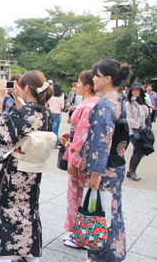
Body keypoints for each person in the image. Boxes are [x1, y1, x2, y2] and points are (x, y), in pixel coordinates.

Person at [0, 71, 53, 262]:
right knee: (29, 208)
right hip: (34, 169)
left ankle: (5, 256)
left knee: (6, 206)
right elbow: (28, 117)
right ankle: (31, 254)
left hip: (15, 170)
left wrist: (0, 99)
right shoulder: (45, 112)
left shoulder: (22, 113)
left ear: (26, 88)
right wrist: (17, 98)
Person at [80, 58, 130, 262]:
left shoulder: (105, 105)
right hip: (116, 165)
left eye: (96, 75)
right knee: (113, 211)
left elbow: (101, 143)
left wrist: (94, 174)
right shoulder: (120, 101)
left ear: (108, 79)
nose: (93, 78)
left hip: (104, 169)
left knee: (101, 215)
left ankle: (103, 257)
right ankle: (116, 254)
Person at [59, 70, 99, 249]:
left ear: (87, 86)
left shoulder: (86, 106)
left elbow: (82, 136)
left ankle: (79, 234)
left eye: (78, 82)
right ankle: (82, 233)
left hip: (81, 160)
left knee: (77, 195)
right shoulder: (97, 104)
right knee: (85, 196)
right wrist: (71, 136)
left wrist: (73, 160)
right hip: (90, 159)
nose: (76, 85)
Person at [125, 81, 149, 181]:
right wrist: (138, 126)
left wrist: (143, 106)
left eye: (137, 90)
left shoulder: (140, 102)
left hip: (142, 129)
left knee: (139, 151)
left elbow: (146, 115)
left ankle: (131, 170)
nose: (135, 92)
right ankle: (131, 171)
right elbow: (129, 118)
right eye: (134, 90)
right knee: (138, 150)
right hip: (134, 130)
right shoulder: (128, 103)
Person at [47, 82, 65, 148]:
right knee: (55, 130)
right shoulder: (61, 97)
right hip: (57, 114)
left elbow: (47, 103)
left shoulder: (50, 96)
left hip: (49, 113)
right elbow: (62, 107)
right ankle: (55, 144)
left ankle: (48, 143)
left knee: (49, 129)